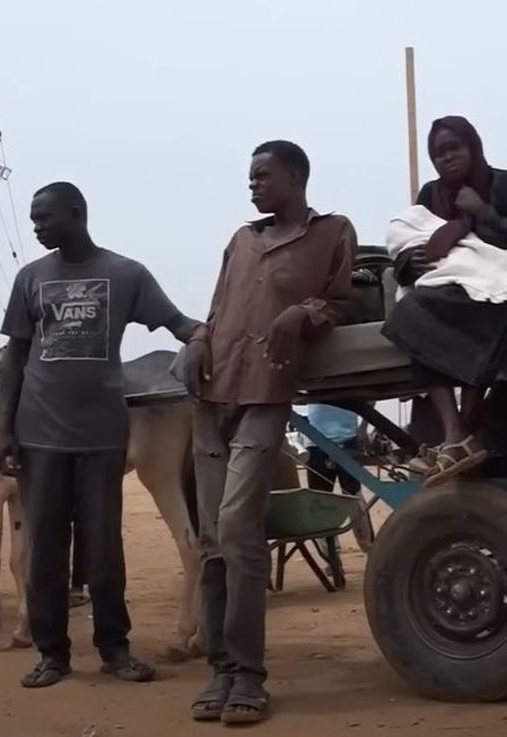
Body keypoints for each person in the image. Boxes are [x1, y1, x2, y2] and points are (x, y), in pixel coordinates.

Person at [0, 181, 201, 688]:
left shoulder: (125, 274)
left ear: (76, 213)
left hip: (103, 434)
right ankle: (52, 654)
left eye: (44, 217)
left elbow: (176, 323)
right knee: (45, 550)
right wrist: (6, 431)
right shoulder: (30, 278)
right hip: (40, 434)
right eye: (33, 218)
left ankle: (115, 649)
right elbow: (17, 358)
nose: (37, 226)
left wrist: (211, 335)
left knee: (104, 548)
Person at [180, 140, 357, 725]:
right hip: (212, 392)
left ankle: (250, 675)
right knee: (211, 539)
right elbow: (215, 309)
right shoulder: (241, 239)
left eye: (263, 174)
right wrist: (200, 341)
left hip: (266, 392)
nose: (253, 183)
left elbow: (338, 302)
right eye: (250, 175)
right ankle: (221, 671)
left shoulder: (332, 232)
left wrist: (303, 313)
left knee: (237, 527)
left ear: (295, 177)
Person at [381, 116, 507, 484]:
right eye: (438, 153)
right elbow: (414, 238)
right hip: (447, 288)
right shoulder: (430, 196)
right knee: (412, 317)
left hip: (499, 283)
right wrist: (410, 261)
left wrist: (483, 212)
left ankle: (459, 435)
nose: (446, 158)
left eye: (454, 147)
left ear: (473, 146)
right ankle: (456, 433)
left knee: (476, 315)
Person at [303, 403, 372, 552]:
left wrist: (363, 427)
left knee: (354, 497)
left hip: (349, 439)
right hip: (316, 441)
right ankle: (330, 555)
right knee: (320, 500)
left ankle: (369, 548)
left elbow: (371, 399)